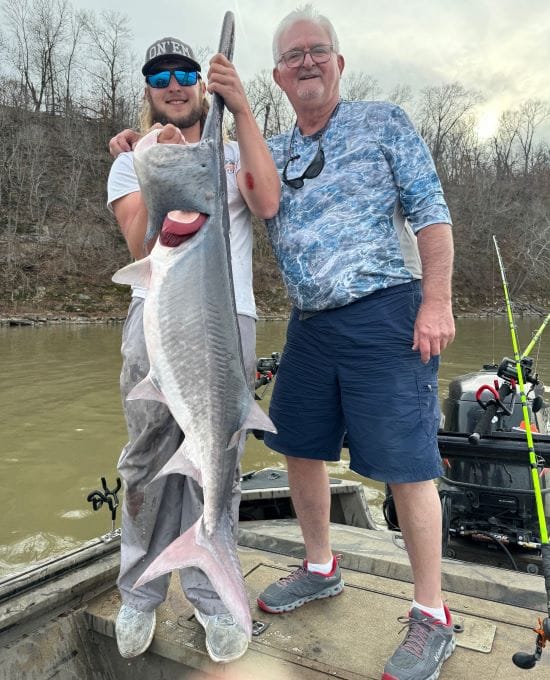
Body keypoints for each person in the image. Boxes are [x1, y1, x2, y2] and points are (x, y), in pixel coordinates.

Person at [254, 6, 456, 680]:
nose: (306, 62)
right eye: (292, 55)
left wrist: (437, 302)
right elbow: (221, 180)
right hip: (309, 324)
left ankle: (432, 615)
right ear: (278, 76)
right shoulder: (275, 151)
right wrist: (148, 143)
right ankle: (320, 567)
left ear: (338, 62)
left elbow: (431, 213)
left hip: (386, 312)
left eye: (318, 50)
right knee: (298, 447)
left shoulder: (384, 121)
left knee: (407, 463)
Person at [107, 36, 279, 664]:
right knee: (147, 457)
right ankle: (141, 590)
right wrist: (153, 163)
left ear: (202, 86)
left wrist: (247, 108)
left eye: (185, 74)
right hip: (155, 316)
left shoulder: (234, 150)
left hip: (227, 320)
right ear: (149, 91)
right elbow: (138, 245)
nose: (174, 85)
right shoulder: (132, 157)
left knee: (220, 461)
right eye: (161, 78)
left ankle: (212, 592)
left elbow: (267, 202)